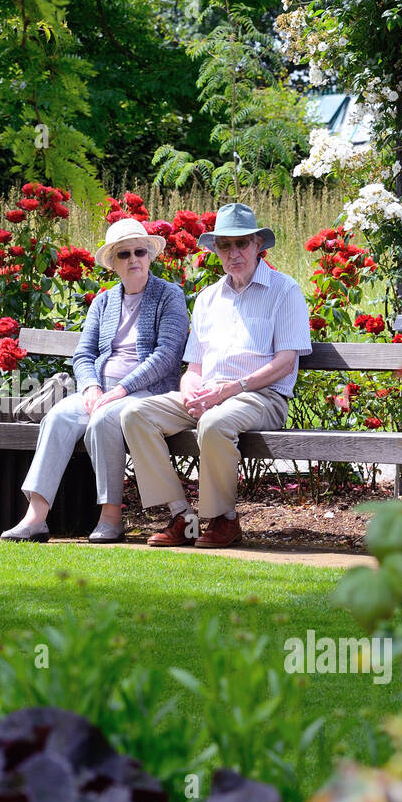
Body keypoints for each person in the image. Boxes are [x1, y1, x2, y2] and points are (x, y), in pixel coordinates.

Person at [120, 202, 312, 549]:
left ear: (258, 246)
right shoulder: (208, 298)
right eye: (225, 245)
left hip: (261, 396)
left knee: (214, 424)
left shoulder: (285, 291)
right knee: (134, 414)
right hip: (210, 394)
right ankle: (182, 516)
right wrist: (192, 391)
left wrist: (228, 391)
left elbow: (285, 362)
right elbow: (194, 366)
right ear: (216, 251)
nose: (233, 252)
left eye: (241, 243)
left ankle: (224, 520)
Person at [1, 217, 190, 543]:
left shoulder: (169, 295)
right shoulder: (103, 302)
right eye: (124, 254)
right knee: (58, 416)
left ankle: (111, 516)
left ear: (150, 256)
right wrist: (90, 387)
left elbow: (167, 356)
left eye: (139, 252)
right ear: (112, 263)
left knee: (104, 418)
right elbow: (84, 354)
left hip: (147, 394)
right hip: (100, 391)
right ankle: (35, 517)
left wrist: (120, 389)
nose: (133, 259)